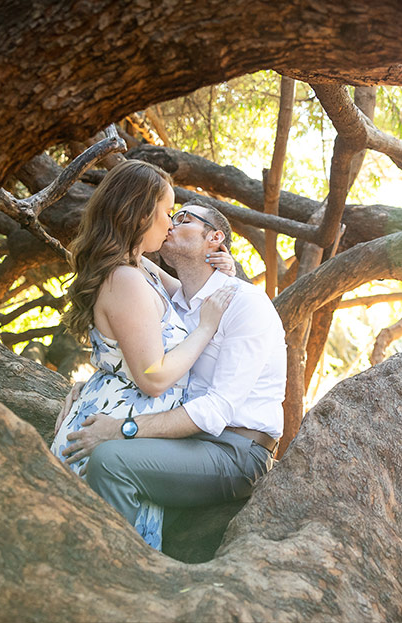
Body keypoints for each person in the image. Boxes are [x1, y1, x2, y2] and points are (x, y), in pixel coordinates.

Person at [57, 199, 287, 549]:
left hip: (236, 449)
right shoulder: (175, 301)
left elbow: (218, 407)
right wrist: (86, 386)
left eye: (182, 218)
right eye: (169, 215)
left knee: (109, 460)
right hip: (187, 441)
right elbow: (137, 352)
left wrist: (122, 430)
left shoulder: (246, 303)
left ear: (214, 239)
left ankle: (118, 573)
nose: (169, 223)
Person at [51, 160, 237, 548]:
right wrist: (205, 329)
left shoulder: (143, 270)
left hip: (129, 434)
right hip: (110, 440)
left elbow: (193, 292)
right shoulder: (126, 281)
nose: (170, 224)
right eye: (166, 213)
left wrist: (223, 266)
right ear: (138, 215)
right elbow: (152, 378)